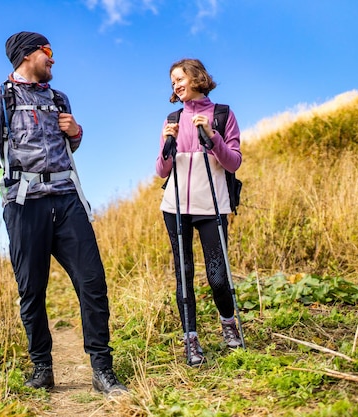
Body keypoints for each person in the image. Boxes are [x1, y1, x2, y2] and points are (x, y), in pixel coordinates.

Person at [0, 31, 127, 395]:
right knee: (32, 290)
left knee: (92, 282)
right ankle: (43, 368)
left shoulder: (59, 98)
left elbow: (70, 143)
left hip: (67, 198)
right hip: (24, 203)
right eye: (48, 52)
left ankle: (102, 369)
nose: (53, 58)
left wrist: (76, 132)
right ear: (27, 55)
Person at [155, 58, 243, 366]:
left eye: (180, 78)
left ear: (197, 77)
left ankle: (228, 324)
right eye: (172, 82)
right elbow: (160, 169)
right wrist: (169, 143)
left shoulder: (222, 114)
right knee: (184, 275)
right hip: (176, 207)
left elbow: (233, 162)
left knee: (218, 277)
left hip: (213, 206)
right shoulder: (173, 118)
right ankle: (191, 340)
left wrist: (212, 137)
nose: (176, 85)